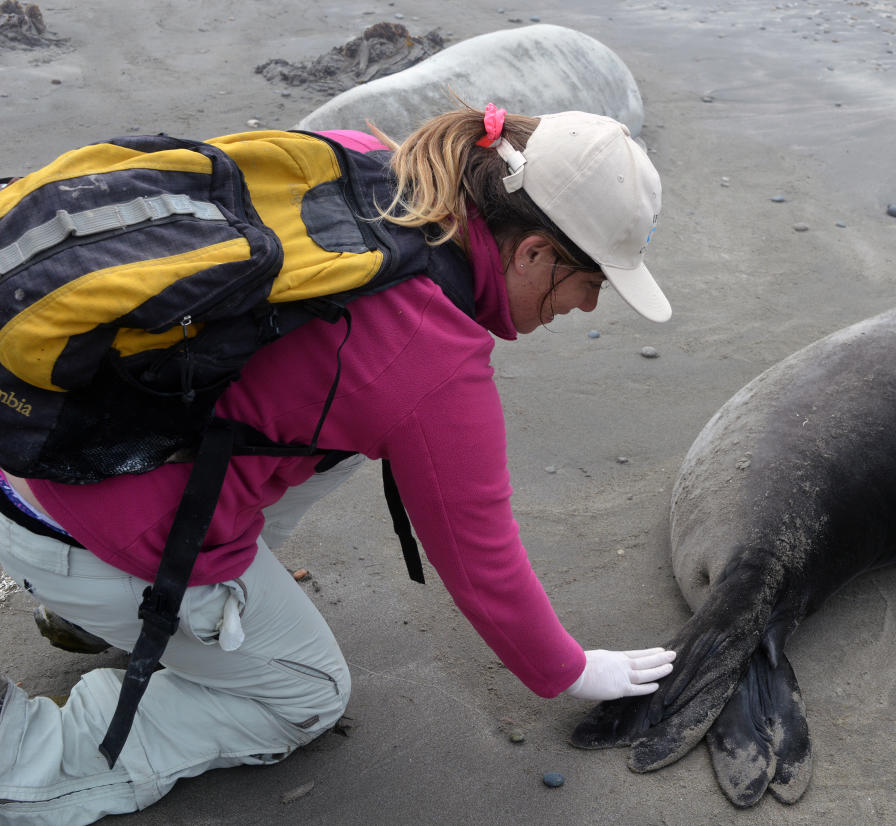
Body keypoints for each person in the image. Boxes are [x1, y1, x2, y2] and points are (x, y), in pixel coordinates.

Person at [0, 104, 676, 824]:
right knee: (307, 696)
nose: (590, 304)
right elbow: (483, 561)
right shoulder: (432, 358)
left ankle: (99, 612)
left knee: (345, 435)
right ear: (535, 252)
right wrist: (568, 669)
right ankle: (29, 755)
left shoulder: (372, 166)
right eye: (593, 280)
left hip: (38, 429)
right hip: (92, 515)